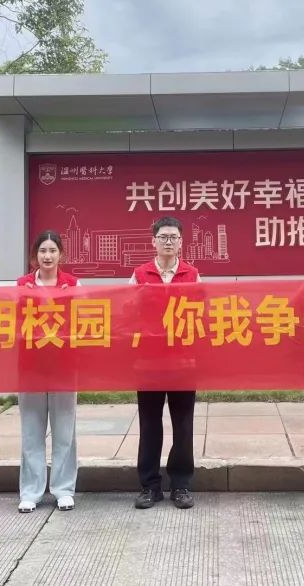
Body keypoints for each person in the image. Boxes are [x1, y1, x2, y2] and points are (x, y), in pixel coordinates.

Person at [130, 216, 200, 510]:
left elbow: (200, 314)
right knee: (149, 423)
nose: (168, 242)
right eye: (163, 237)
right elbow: (128, 311)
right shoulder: (139, 275)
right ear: (153, 241)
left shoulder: (192, 274)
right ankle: (150, 486)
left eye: (173, 237)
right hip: (149, 362)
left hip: (183, 361)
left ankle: (181, 484)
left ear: (181, 242)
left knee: (183, 424)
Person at [15, 231, 80, 513]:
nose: (48, 256)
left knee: (64, 430)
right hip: (31, 367)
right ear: (35, 255)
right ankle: (31, 491)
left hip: (64, 366)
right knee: (31, 430)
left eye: (53, 250)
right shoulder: (22, 285)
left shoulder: (73, 284)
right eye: (43, 250)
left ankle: (63, 489)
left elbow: (84, 320)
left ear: (61, 254)